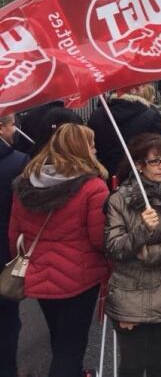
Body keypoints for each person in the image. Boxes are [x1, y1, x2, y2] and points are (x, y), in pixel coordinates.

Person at [10, 124, 110, 377]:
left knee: (59, 338)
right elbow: (99, 239)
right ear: (79, 149)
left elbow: (15, 234)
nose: (95, 148)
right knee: (71, 346)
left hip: (39, 275)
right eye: (91, 144)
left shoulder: (25, 184)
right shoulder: (93, 187)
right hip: (79, 278)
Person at [104, 134, 161, 377]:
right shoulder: (119, 200)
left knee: (159, 363)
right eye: (155, 161)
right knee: (132, 365)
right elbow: (113, 247)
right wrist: (141, 229)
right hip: (130, 294)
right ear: (139, 165)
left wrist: (149, 253)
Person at [88, 83, 161, 177]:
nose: (144, 90)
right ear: (134, 90)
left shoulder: (96, 116)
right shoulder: (151, 115)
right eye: (142, 87)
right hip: (142, 179)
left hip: (107, 178)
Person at [0, 114, 29, 377]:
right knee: (8, 319)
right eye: (11, 125)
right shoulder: (18, 162)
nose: (14, 129)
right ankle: (8, 370)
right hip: (5, 253)